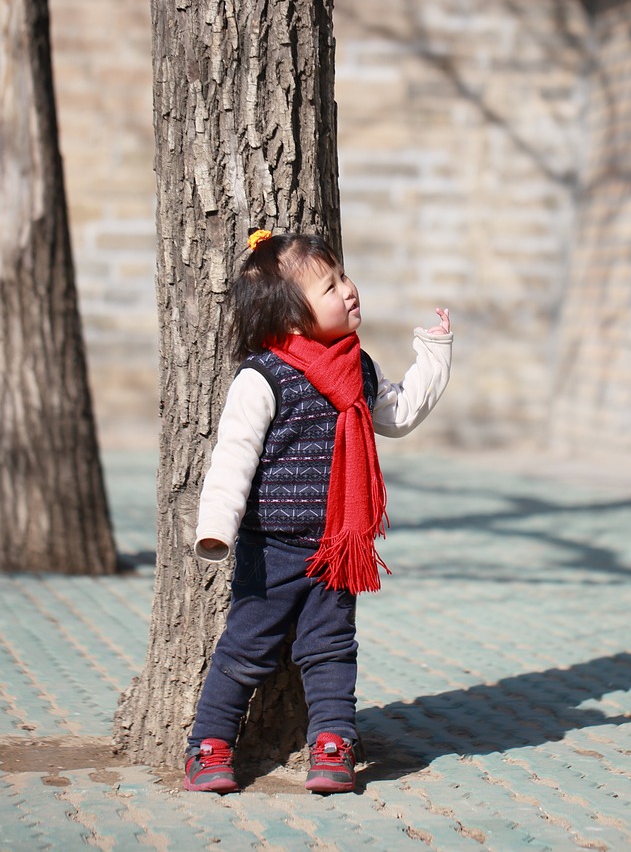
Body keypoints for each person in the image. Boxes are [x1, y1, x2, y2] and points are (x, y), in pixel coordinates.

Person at [183, 228, 452, 795]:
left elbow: (398, 414)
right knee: (244, 649)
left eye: (344, 277)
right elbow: (234, 455)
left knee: (330, 648)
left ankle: (332, 742)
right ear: (294, 319)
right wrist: (216, 529)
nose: (349, 291)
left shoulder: (358, 367)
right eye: (331, 286)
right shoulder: (264, 376)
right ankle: (209, 745)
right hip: (270, 548)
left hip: (337, 546)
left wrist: (434, 355)